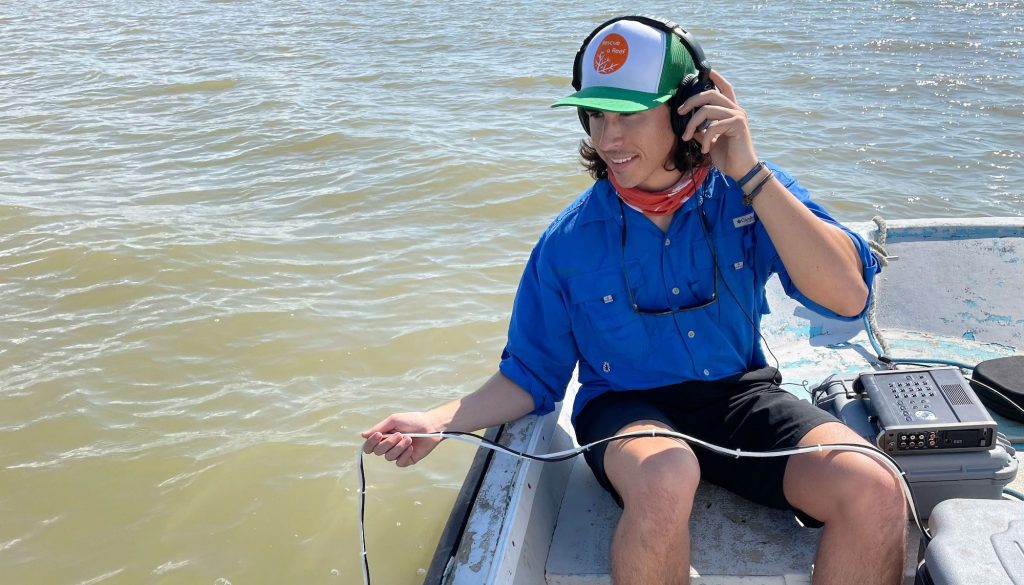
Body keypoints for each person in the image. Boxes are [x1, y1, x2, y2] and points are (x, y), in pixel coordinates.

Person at [362, 15, 907, 585]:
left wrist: (746, 170)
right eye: (596, 115)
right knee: (668, 472)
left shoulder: (750, 194)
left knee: (874, 483)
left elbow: (847, 298)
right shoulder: (567, 242)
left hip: (740, 398)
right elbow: (529, 376)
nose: (607, 139)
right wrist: (435, 420)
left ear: (686, 112)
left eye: (627, 114)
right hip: (625, 412)